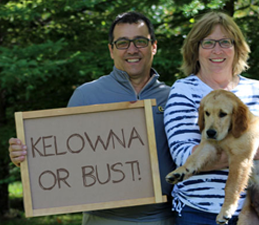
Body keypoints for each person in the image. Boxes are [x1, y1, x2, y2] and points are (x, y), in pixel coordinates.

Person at [9, 11, 176, 225]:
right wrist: (25, 156)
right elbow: (60, 160)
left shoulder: (174, 97)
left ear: (153, 46)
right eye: (123, 43)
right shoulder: (86, 95)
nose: (132, 49)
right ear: (111, 50)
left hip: (162, 218)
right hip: (101, 220)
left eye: (140, 41)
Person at [164, 11, 259, 225]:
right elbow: (183, 156)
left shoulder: (257, 89)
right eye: (208, 43)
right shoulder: (183, 90)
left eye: (225, 42)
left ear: (237, 48)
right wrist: (251, 150)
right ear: (195, 50)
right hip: (201, 214)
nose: (217, 50)